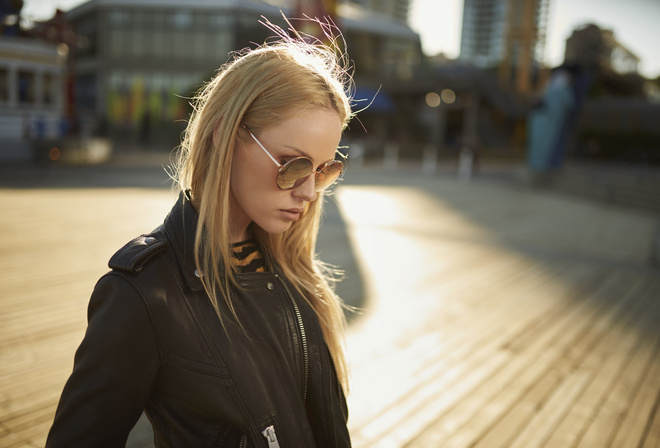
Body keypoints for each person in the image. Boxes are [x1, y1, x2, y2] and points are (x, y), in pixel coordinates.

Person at [46, 20, 354, 448]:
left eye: (323, 170)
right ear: (227, 137)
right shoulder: (145, 293)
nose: (308, 191)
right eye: (293, 164)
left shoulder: (294, 274)